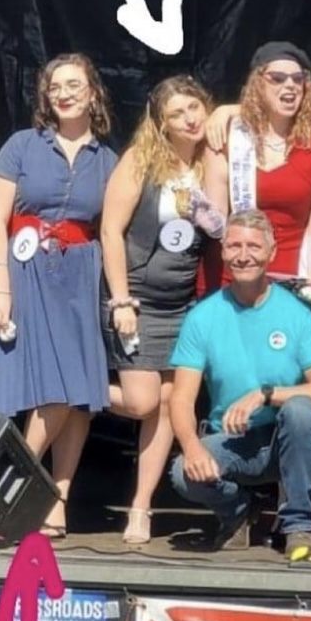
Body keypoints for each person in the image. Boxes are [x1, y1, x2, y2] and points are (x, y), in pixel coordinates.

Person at [0, 53, 118, 539]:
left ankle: (56, 498)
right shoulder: (20, 145)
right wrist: (1, 285)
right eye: (55, 86)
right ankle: (9, 486)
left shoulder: (108, 160)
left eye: (73, 85)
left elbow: (112, 228)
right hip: (26, 268)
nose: (63, 94)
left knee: (77, 394)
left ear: (93, 93)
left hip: (80, 274)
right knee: (53, 390)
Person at [168, 209, 311, 560]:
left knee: (301, 410)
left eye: (253, 246)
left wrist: (266, 395)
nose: (243, 256)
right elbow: (181, 400)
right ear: (222, 251)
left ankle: (299, 525)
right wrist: (192, 447)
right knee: (182, 474)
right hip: (232, 440)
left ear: (272, 253)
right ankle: (238, 510)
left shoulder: (297, 313)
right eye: (234, 246)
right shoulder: (203, 316)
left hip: (287, 439)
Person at [100, 74, 224, 545]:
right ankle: (75, 389)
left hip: (181, 302)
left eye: (194, 108)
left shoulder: (212, 158)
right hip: (136, 297)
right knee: (142, 401)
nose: (189, 119)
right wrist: (120, 299)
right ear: (161, 123)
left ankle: (141, 506)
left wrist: (227, 112)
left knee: (172, 405)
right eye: (177, 114)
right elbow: (111, 231)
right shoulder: (141, 159)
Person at [202, 41, 311, 291]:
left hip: (291, 274)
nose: (290, 85)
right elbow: (218, 219)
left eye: (298, 79)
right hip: (233, 272)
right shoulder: (228, 134)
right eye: (277, 78)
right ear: (258, 84)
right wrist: (200, 213)